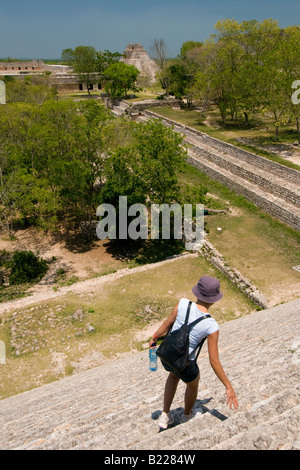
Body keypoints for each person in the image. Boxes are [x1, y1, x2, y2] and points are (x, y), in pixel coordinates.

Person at [149, 275, 239, 430]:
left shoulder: (182, 303)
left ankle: (165, 414)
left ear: (197, 292)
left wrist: (154, 338)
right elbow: (214, 361)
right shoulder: (211, 325)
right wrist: (228, 386)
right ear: (214, 299)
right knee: (192, 384)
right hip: (185, 363)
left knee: (173, 375)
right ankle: (187, 415)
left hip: (167, 355)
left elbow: (166, 324)